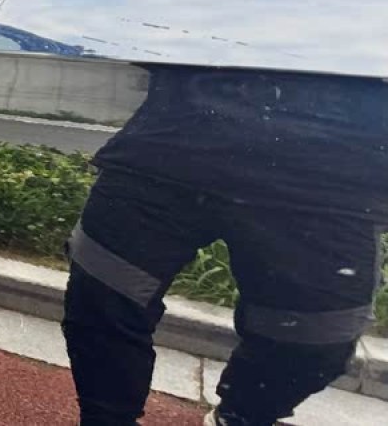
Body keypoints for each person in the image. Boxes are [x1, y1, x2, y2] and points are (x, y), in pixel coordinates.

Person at [62, 65, 382, 426]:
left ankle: (240, 416)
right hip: (171, 143)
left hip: (335, 172)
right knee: (101, 298)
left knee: (316, 339)